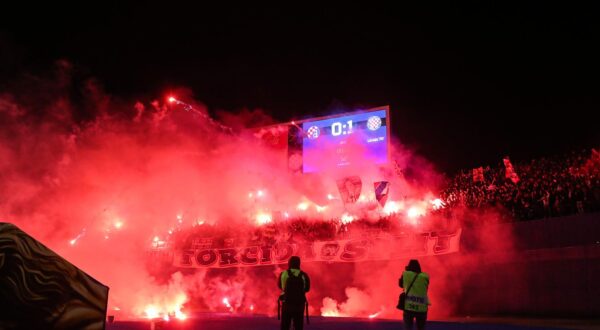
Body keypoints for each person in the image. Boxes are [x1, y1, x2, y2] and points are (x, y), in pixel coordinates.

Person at [277, 256, 310, 330]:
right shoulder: (304, 275)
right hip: (299, 304)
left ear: (289, 263)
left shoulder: (283, 273)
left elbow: (280, 286)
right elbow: (307, 289)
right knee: (298, 326)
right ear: (299, 264)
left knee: (285, 326)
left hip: (286, 303)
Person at [399, 259, 429, 330]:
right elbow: (426, 287)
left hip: (409, 307)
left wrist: (406, 270)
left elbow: (400, 284)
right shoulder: (425, 276)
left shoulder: (406, 274)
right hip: (422, 307)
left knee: (408, 328)